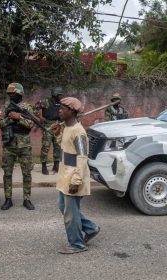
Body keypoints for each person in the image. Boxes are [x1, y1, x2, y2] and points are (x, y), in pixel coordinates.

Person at [50, 97, 100, 254]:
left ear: (71, 111)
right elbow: (66, 149)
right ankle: (91, 228)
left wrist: (76, 180)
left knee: (70, 214)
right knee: (63, 207)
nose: (59, 110)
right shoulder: (67, 128)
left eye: (63, 108)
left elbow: (82, 157)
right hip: (65, 176)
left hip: (73, 178)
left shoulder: (79, 132)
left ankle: (77, 244)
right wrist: (58, 135)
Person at [0, 83, 35, 210]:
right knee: (7, 173)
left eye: (13, 94)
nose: (11, 96)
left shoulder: (27, 108)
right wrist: (9, 117)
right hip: (9, 144)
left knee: (27, 173)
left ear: (20, 94)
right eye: (9, 94)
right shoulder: (5, 107)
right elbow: (1, 124)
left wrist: (18, 117)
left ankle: (27, 199)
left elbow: (31, 124)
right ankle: (8, 199)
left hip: (24, 145)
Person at [34, 87, 63, 175]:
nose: (61, 96)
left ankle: (56, 165)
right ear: (55, 95)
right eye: (59, 95)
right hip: (47, 126)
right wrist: (40, 117)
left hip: (58, 125)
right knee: (46, 146)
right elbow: (34, 108)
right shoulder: (45, 101)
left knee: (58, 146)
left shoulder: (60, 103)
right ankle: (43, 166)